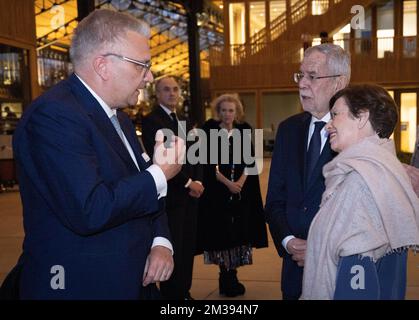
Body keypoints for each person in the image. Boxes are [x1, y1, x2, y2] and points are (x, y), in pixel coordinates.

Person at [11, 9, 184, 300]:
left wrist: (160, 241)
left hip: (132, 280)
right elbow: (90, 209)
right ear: (103, 65)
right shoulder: (54, 116)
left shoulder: (121, 120)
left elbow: (144, 193)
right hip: (82, 284)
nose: (149, 77)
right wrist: (160, 173)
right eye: (143, 65)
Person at [301, 84, 419, 299]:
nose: (328, 126)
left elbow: (356, 280)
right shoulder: (385, 174)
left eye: (335, 115)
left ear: (362, 117)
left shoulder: (361, 184)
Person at [265, 43, 350, 300]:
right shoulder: (288, 129)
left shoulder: (358, 134)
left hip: (339, 271)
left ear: (339, 82)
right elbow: (275, 200)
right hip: (293, 271)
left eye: (312, 76)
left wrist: (317, 247)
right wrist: (288, 241)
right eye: (300, 75)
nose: (302, 83)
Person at [197, 94, 268, 297]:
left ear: (237, 112)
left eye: (231, 110)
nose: (228, 114)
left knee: (239, 233)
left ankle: (233, 274)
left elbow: (250, 160)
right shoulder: (209, 131)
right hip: (218, 192)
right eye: (224, 110)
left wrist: (240, 183)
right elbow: (209, 165)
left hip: (241, 192)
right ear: (218, 112)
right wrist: (228, 184)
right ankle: (225, 276)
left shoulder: (244, 130)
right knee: (222, 234)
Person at [141, 76, 204, 300]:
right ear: (157, 94)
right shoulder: (152, 121)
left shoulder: (185, 120)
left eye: (175, 89)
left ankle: (184, 291)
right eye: (166, 90)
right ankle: (172, 296)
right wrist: (188, 183)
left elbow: (195, 155)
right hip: (172, 196)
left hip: (191, 195)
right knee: (174, 246)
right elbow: (162, 160)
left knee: (187, 247)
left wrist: (199, 181)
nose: (172, 93)